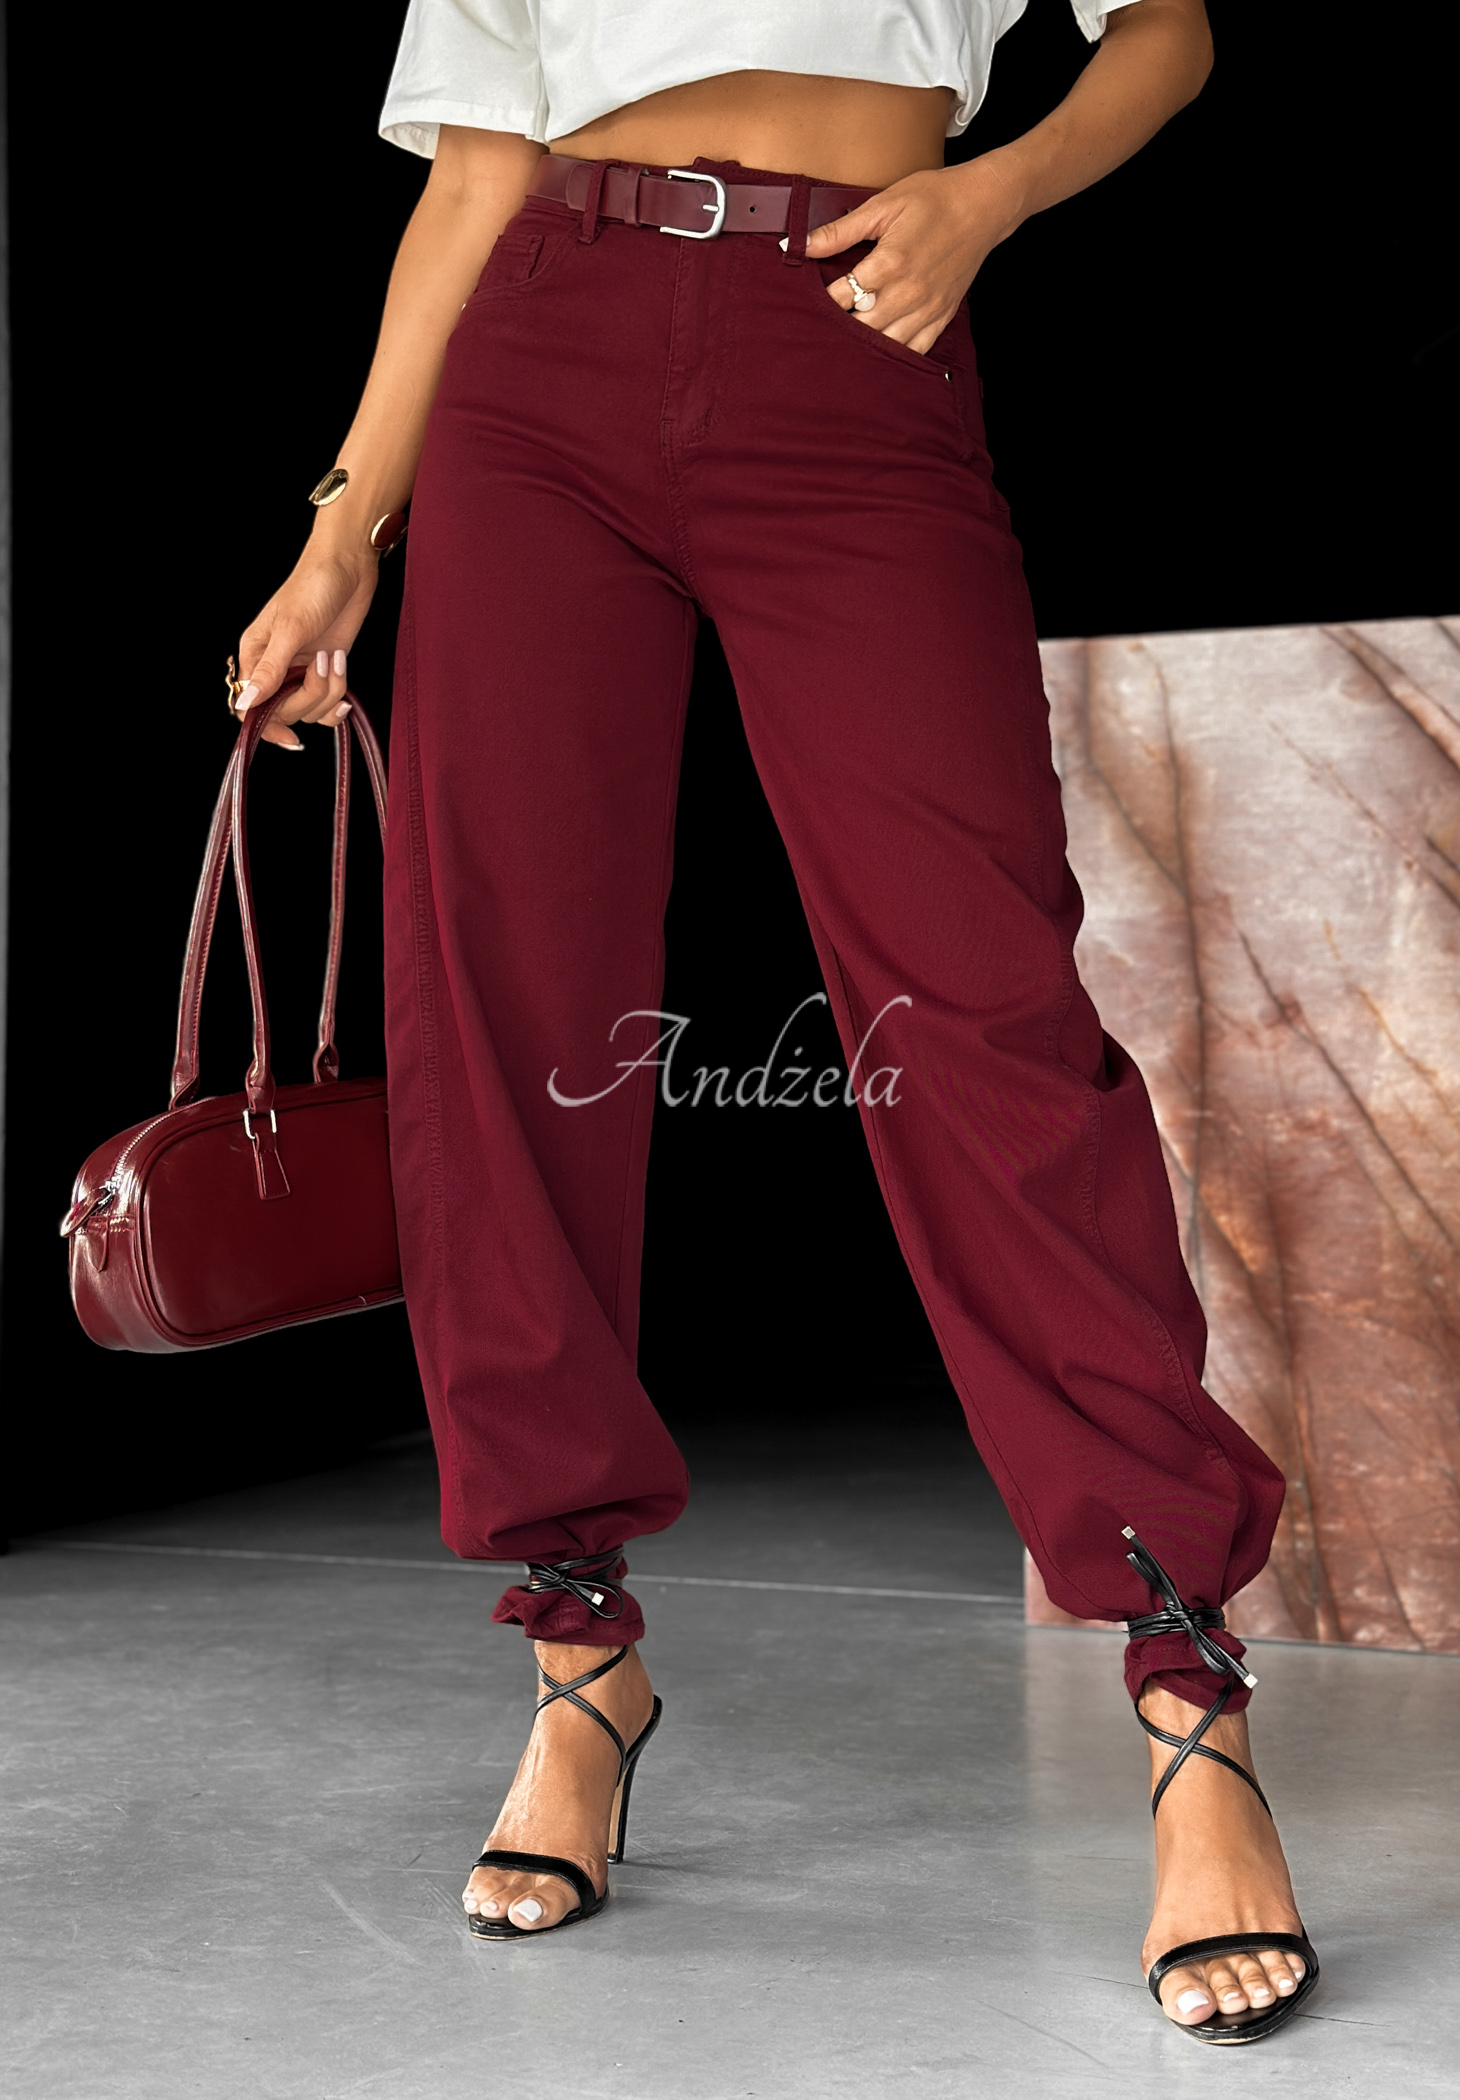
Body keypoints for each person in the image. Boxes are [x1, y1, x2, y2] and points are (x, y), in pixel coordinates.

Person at [233, 0, 1317, 2042]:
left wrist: (987, 198)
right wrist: (338, 535)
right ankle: (577, 1658)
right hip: (535, 363)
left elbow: (1166, 31)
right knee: (508, 1011)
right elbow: (474, 174)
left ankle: (1188, 1686)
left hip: (852, 329)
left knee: (979, 1004)